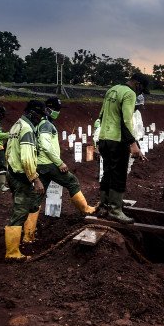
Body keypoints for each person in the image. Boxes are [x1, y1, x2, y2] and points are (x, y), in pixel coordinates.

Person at [25, 97, 95, 244]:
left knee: (37, 197)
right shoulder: (46, 124)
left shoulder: (40, 123)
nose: (58, 112)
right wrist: (59, 162)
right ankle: (86, 209)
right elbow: (45, 144)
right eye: (56, 110)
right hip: (49, 164)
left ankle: (28, 235)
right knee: (72, 181)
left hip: (40, 165)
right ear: (49, 109)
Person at [95, 72, 150, 223]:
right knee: (118, 175)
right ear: (138, 84)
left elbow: (101, 115)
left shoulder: (112, 90)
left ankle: (104, 207)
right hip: (118, 140)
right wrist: (132, 144)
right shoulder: (129, 93)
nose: (139, 93)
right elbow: (126, 121)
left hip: (104, 138)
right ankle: (115, 210)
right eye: (141, 89)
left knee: (107, 173)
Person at [3, 100, 47, 261]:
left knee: (24, 206)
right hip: (22, 176)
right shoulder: (27, 129)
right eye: (40, 115)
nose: (41, 118)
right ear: (32, 113)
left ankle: (25, 236)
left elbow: (8, 147)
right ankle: (12, 252)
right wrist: (35, 179)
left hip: (13, 173)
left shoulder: (16, 125)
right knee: (20, 210)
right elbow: (27, 157)